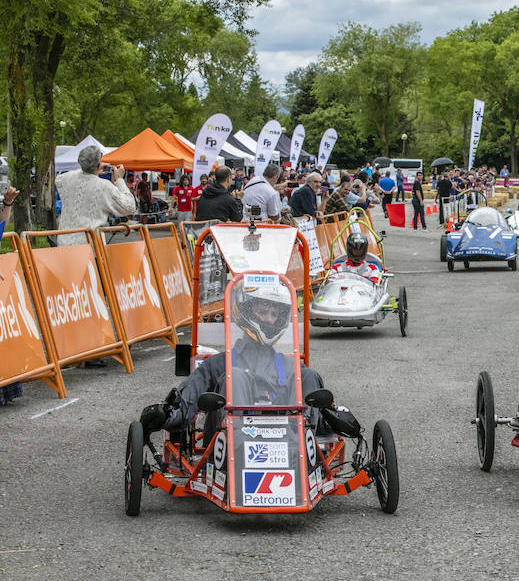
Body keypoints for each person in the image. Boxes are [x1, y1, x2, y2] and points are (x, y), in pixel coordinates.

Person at [140, 282, 330, 435]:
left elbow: (320, 413)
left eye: (274, 314)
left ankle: (304, 451)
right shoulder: (218, 364)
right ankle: (237, 443)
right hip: (230, 455)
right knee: (235, 377)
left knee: (309, 376)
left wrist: (336, 419)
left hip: (289, 452)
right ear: (245, 309)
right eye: (262, 311)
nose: (269, 320)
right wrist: (165, 414)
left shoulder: (292, 368)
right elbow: (187, 400)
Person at [55, 146, 135, 246]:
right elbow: (130, 207)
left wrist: (90, 171)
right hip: (90, 247)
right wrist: (119, 180)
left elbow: (59, 180)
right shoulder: (104, 186)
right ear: (98, 165)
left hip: (64, 244)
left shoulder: (65, 178)